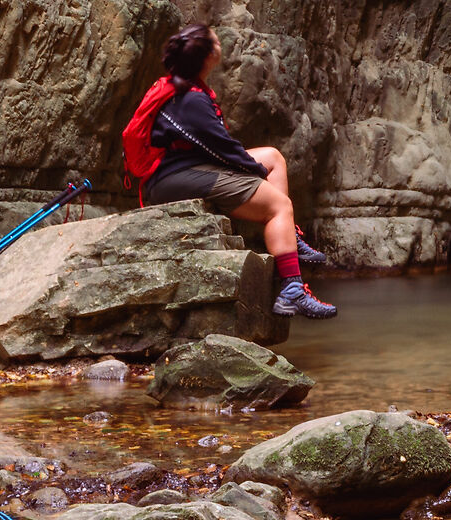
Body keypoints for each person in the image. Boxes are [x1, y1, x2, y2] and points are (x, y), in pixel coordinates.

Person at [122, 24, 337, 319]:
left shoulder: (184, 88)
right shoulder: (190, 98)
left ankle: (290, 240)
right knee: (279, 205)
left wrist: (258, 167)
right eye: (216, 40)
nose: (220, 43)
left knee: (274, 157)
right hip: (171, 180)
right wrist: (255, 171)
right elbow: (221, 148)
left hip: (181, 171)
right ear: (210, 54)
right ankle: (292, 290)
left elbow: (215, 148)